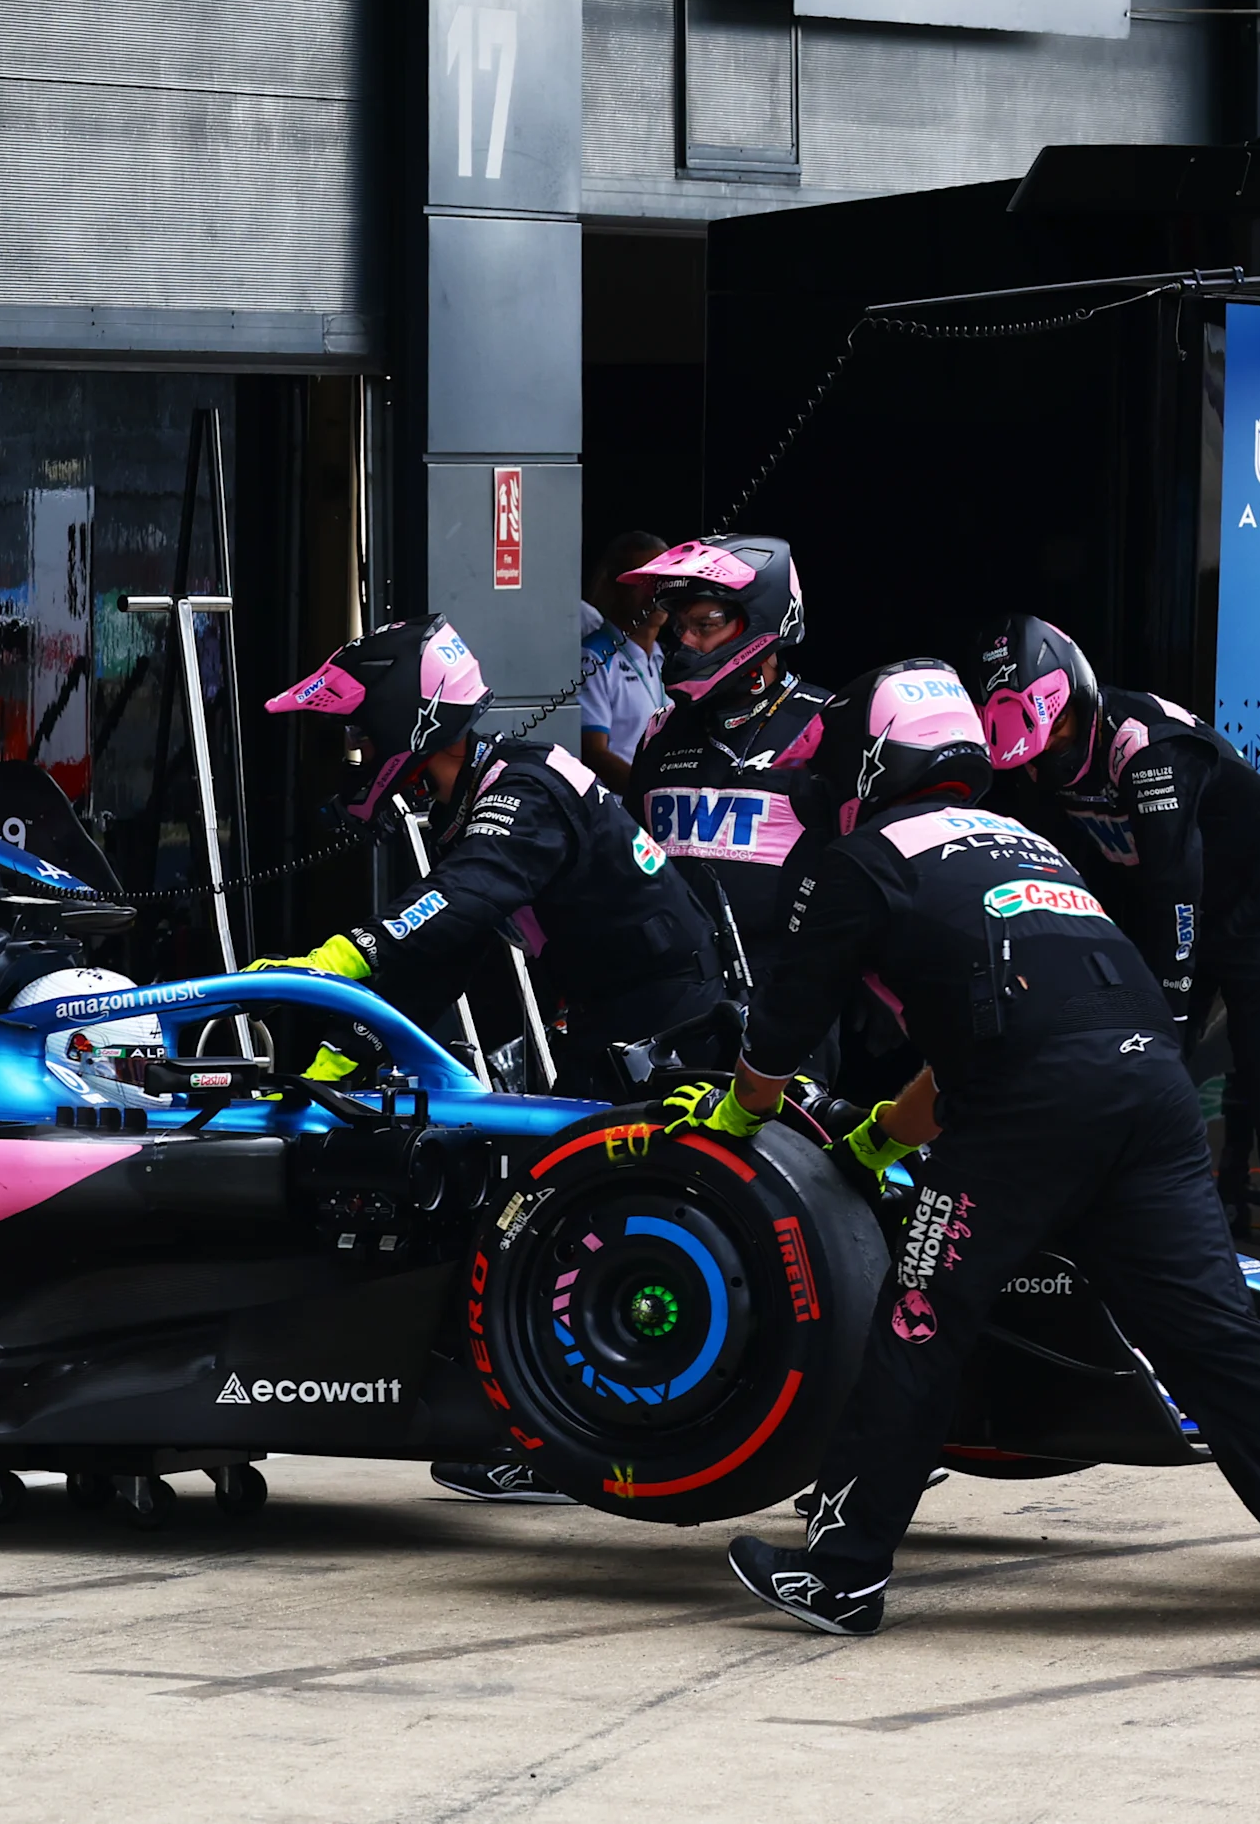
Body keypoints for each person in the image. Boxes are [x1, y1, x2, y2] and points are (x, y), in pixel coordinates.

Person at [702, 660, 1260, 1668]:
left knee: (917, 1322)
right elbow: (1007, 1024)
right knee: (1215, 1345)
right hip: (1145, 1089)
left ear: (869, 758)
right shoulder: (1025, 843)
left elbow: (777, 1038)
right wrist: (887, 1135)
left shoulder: (859, 858)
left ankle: (842, 1571)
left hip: (1028, 1110)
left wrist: (733, 1116)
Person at [258, 615, 724, 1506]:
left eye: (360, 733)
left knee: (575, 1221)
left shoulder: (522, 788)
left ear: (407, 722)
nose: (352, 751)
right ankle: (550, 1429)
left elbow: (461, 903)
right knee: (557, 1216)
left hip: (665, 1026)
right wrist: (333, 1061)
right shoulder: (490, 794)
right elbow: (441, 962)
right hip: (617, 1024)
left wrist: (342, 955)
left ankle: (575, 1433)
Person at [972, 616, 1260, 1269]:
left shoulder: (1146, 750)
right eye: (1028, 750)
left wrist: (1166, 1013)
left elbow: (1177, 893)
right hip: (1152, 907)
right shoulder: (1030, 764)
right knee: (1114, 1064)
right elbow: (1043, 872)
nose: (1044, 756)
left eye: (1054, 733)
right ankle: (1121, 1224)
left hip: (1250, 913)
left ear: (1078, 703)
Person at [617, 536, 835, 1002]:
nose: (686, 642)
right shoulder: (661, 733)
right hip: (671, 996)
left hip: (785, 1003)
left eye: (706, 625)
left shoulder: (829, 724)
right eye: (680, 627)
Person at [578, 529, 669, 789]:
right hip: (618, 812)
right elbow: (592, 753)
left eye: (661, 581)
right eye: (643, 581)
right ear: (616, 585)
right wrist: (649, 792)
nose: (654, 593)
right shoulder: (595, 655)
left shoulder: (663, 658)